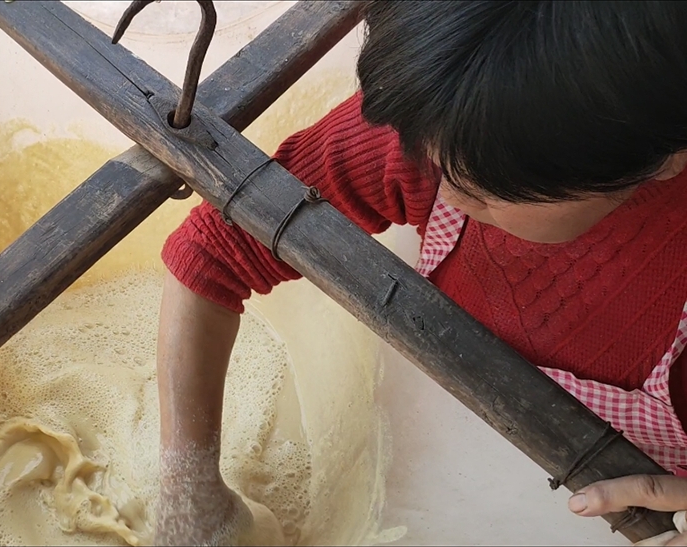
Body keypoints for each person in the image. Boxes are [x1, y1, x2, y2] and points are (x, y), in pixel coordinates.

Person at [152, 1, 687, 545]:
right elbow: (215, 249)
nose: (442, 191)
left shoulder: (536, 120)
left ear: (665, 157)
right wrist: (187, 486)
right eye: (431, 155)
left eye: (485, 190)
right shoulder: (449, 120)